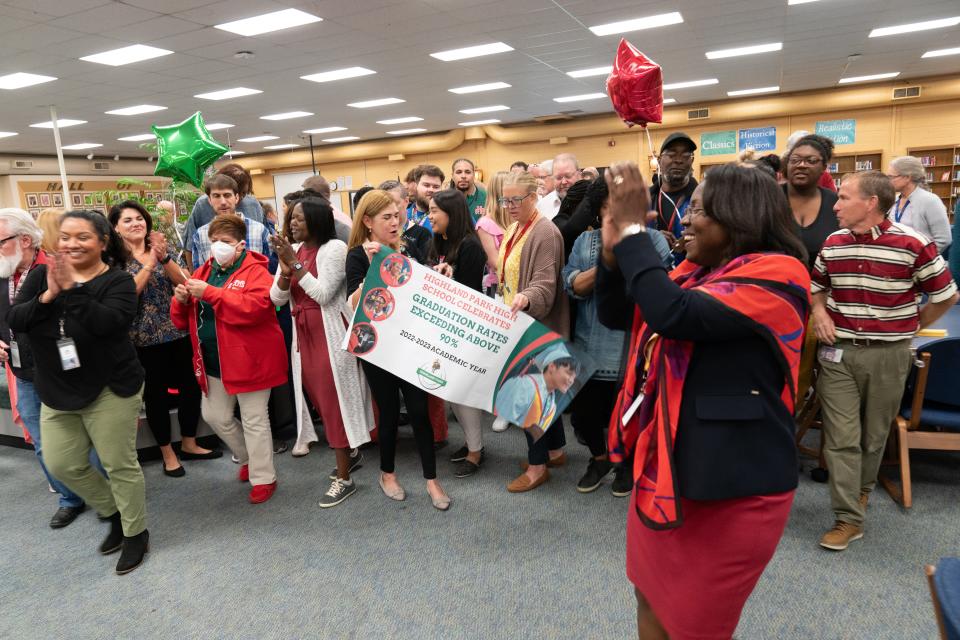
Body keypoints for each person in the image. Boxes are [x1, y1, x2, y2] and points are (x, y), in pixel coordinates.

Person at [598, 161, 811, 639]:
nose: (686, 221)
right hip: (667, 470)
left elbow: (672, 316)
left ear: (740, 217)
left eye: (699, 209)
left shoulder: (780, 276)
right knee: (647, 594)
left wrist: (635, 231)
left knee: (695, 627)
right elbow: (620, 313)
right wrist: (613, 254)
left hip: (734, 489)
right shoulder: (695, 273)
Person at [811, 170, 958, 551]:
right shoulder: (833, 241)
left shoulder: (914, 243)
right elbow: (817, 289)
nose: (836, 205)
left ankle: (860, 492)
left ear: (871, 203)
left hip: (889, 355)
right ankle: (848, 518)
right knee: (842, 439)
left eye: (843, 198)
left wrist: (911, 326)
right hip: (838, 353)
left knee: (874, 436)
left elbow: (946, 295)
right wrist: (821, 314)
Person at [8, 210, 150, 575]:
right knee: (61, 463)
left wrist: (71, 291)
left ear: (103, 243)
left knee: (119, 464)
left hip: (110, 387)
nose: (71, 243)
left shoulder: (117, 281)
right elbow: (16, 320)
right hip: (57, 387)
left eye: (82, 236)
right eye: (66, 236)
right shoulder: (42, 275)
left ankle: (136, 532)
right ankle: (113, 511)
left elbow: (108, 324)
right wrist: (48, 295)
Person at [561, 178, 672, 496]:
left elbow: (659, 291)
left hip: (634, 350)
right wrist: (607, 263)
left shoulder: (653, 241)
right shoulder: (585, 243)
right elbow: (573, 284)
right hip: (588, 345)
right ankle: (599, 459)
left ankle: (625, 464)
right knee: (583, 418)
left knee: (630, 414)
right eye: (608, 207)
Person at [0, 208, 106, 529]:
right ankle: (69, 498)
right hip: (23, 372)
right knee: (43, 439)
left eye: (0, 241)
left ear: (25, 239)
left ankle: (103, 496)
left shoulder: (57, 268)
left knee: (86, 436)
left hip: (64, 369)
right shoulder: (3, 274)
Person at [170, 215, 288, 504]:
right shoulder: (203, 271)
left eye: (226, 242)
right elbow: (180, 322)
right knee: (215, 416)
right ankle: (248, 455)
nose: (218, 247)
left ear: (241, 245)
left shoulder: (256, 271)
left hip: (251, 361)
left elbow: (256, 308)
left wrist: (211, 293)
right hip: (212, 362)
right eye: (214, 242)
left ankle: (264, 477)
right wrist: (181, 299)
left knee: (254, 419)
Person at [345, 190, 450, 510]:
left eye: (396, 216)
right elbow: (353, 304)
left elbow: (420, 286)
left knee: (419, 410)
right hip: (377, 347)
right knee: (389, 412)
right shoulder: (357, 255)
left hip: (410, 341)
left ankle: (431, 480)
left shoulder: (408, 246)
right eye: (386, 218)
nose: (394, 223)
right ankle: (387, 474)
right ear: (367, 222)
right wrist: (376, 267)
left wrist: (439, 276)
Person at [269, 196, 374, 507]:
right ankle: (351, 456)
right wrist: (287, 269)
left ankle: (345, 479)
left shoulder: (334, 249)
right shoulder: (294, 251)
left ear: (316, 219)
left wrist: (295, 263)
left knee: (334, 404)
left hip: (330, 336)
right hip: (305, 338)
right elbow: (276, 297)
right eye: (291, 219)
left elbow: (324, 293)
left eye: (298, 218)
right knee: (319, 401)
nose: (292, 224)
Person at [108, 201, 218, 478]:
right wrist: (148, 265)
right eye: (128, 220)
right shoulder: (113, 261)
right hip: (143, 339)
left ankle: (190, 444)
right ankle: (168, 453)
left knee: (190, 388)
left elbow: (187, 281)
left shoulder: (160, 249)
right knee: (155, 397)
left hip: (178, 330)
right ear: (115, 228)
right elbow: (126, 295)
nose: (136, 223)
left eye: (140, 218)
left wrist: (165, 258)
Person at [496, 171, 570, 492]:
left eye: (516, 199)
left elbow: (545, 283)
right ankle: (554, 452)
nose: (509, 206)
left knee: (529, 396)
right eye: (504, 199)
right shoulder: (515, 228)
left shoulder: (546, 232)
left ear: (534, 197)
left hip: (537, 324)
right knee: (543, 392)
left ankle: (537, 467)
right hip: (519, 321)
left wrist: (527, 297)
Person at [427, 189, 487, 477]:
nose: (429, 216)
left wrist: (449, 276)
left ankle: (476, 451)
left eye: (434, 210)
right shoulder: (438, 241)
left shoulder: (470, 246)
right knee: (452, 391)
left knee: (464, 392)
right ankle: (470, 442)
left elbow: (471, 295)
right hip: (443, 329)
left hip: (462, 331)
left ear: (451, 212)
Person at [183, 163, 264, 267]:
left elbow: (263, 240)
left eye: (244, 193)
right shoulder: (202, 204)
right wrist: (193, 274)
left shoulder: (252, 204)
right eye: (218, 195)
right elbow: (190, 245)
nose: (224, 202)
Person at [784, 134, 839, 271]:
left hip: (822, 287)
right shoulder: (768, 198)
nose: (801, 165)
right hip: (775, 287)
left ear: (824, 167)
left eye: (811, 160)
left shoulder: (836, 203)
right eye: (795, 160)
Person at [886, 156, 951, 253]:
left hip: (920, 264)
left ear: (907, 177)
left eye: (891, 177)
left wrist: (922, 259)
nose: (888, 181)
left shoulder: (931, 201)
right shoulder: (894, 200)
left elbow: (944, 240)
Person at [650, 132, 698, 260]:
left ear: (692, 161)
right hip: (653, 274)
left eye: (686, 155)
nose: (678, 160)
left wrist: (694, 242)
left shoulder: (703, 200)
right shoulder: (644, 200)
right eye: (671, 154)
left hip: (691, 275)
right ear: (659, 161)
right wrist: (652, 238)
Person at [475, 171, 510, 298]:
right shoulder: (485, 224)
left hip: (524, 283)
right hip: (499, 287)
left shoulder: (517, 218)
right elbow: (495, 263)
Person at [380, 180, 431, 261]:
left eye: (395, 203)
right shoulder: (376, 233)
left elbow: (428, 268)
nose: (389, 208)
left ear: (406, 201)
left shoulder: (423, 234)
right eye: (383, 204)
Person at [537, 153, 581, 221]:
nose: (563, 182)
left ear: (579, 174)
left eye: (568, 176)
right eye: (558, 178)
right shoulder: (542, 205)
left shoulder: (591, 200)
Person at [406, 165, 445, 234]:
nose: (431, 190)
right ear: (416, 186)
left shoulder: (448, 217)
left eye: (436, 187)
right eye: (426, 185)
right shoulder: (402, 215)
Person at [450, 158, 487, 224]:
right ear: (452, 176)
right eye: (459, 172)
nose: (463, 176)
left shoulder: (487, 197)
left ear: (474, 175)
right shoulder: (445, 199)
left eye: (468, 172)